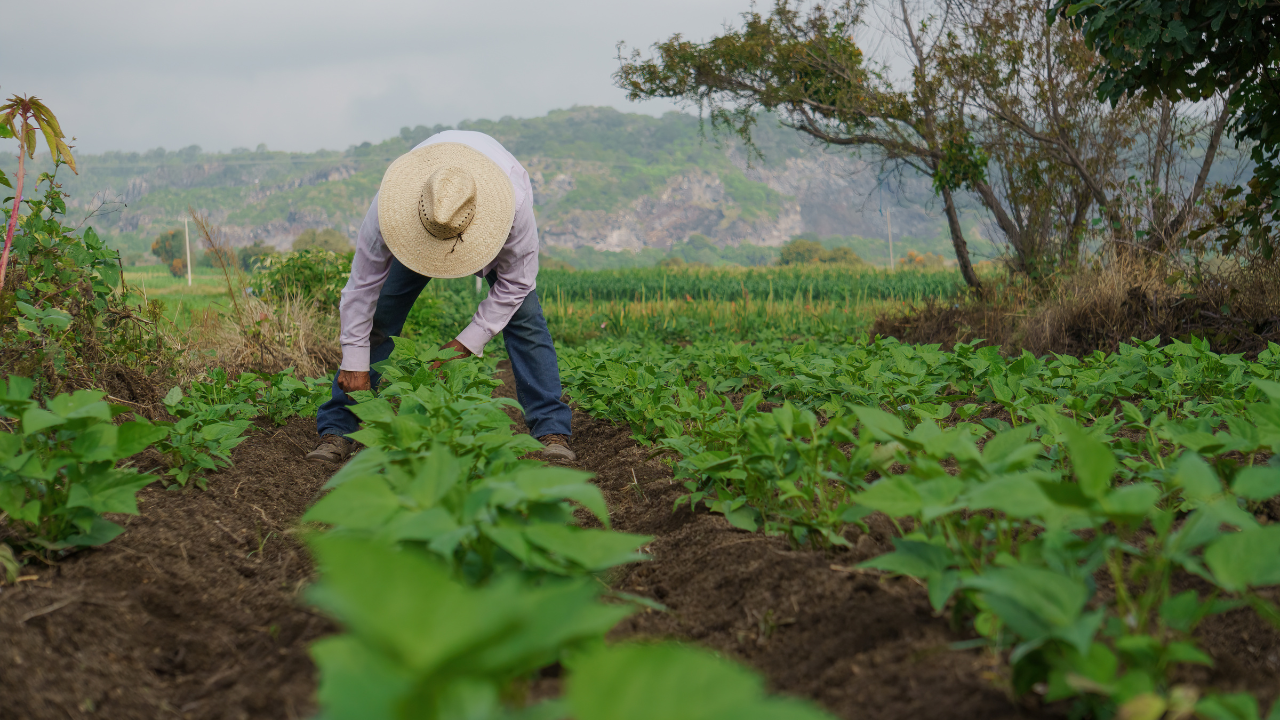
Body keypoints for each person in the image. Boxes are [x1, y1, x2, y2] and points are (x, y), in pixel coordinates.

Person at [307, 130, 574, 463]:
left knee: (526, 321)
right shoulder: (389, 208)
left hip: (488, 229)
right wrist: (354, 362)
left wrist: (465, 344)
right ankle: (339, 429)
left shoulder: (513, 206)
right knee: (380, 316)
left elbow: (517, 283)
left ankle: (551, 428)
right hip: (419, 232)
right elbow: (361, 288)